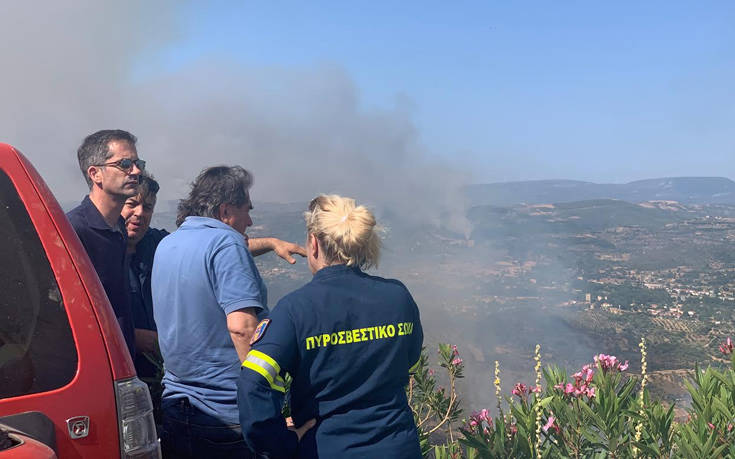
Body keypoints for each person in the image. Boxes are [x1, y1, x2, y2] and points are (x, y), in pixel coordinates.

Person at [237, 194, 424, 458]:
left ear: (313, 243)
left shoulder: (295, 309)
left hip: (325, 447)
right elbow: (412, 364)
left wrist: (281, 442)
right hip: (398, 448)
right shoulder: (398, 297)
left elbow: (253, 382)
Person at [152, 165, 305, 459]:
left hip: (177, 408)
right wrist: (266, 407)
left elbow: (231, 248)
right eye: (246, 210)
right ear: (224, 211)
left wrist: (272, 243)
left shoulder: (168, 244)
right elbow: (242, 328)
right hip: (226, 415)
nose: (250, 220)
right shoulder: (226, 243)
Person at [67, 129, 144, 357]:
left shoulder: (118, 228)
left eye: (138, 163)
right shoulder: (75, 231)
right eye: (125, 164)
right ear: (95, 174)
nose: (136, 171)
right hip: (95, 363)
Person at [121, 172, 167, 419]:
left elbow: (204, 251)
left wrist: (271, 243)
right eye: (132, 204)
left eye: (147, 206)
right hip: (118, 380)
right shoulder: (94, 248)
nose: (140, 213)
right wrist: (132, 337)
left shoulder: (156, 243)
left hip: (157, 378)